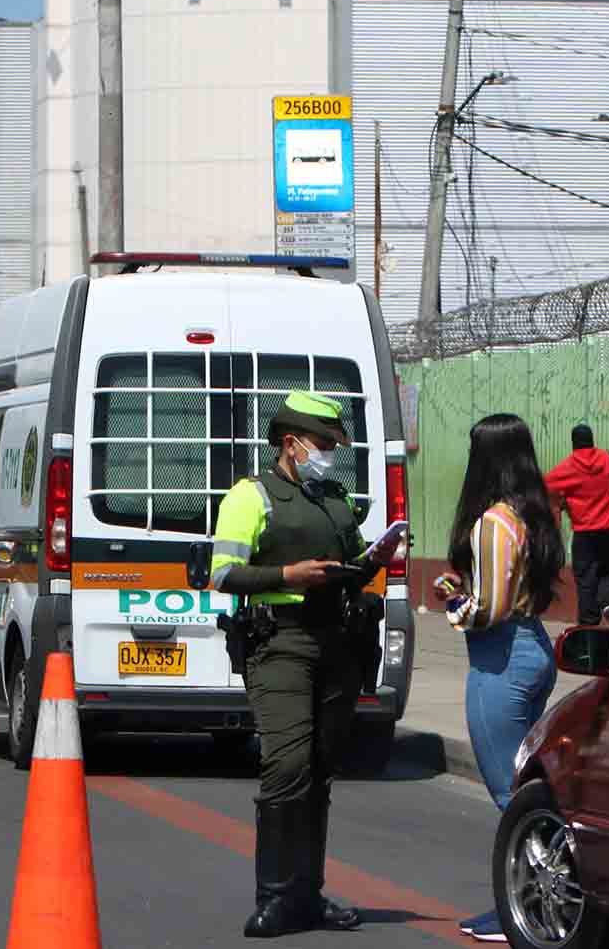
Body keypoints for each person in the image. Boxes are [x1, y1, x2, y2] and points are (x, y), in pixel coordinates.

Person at [209, 391, 403, 939]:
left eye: (333, 446)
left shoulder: (335, 500)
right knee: (287, 766)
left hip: (337, 642)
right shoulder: (251, 497)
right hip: (281, 644)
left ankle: (307, 895)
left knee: (319, 769)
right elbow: (222, 575)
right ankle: (273, 896)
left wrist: (372, 562)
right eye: (321, 444)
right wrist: (286, 577)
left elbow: (349, 570)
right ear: (290, 443)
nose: (329, 455)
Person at [436, 414, 564, 943]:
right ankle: (537, 899)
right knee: (528, 786)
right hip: (531, 648)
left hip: (501, 657)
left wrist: (453, 602)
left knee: (509, 793)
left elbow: (488, 607)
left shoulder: (493, 521)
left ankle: (529, 905)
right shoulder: (533, 516)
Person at [544, 424, 609, 626]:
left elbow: (547, 483)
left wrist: (564, 497)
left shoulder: (568, 466)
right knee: (608, 571)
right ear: (592, 439)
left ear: (573, 443)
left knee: (586, 579)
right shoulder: (605, 458)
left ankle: (589, 622)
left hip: (584, 533)